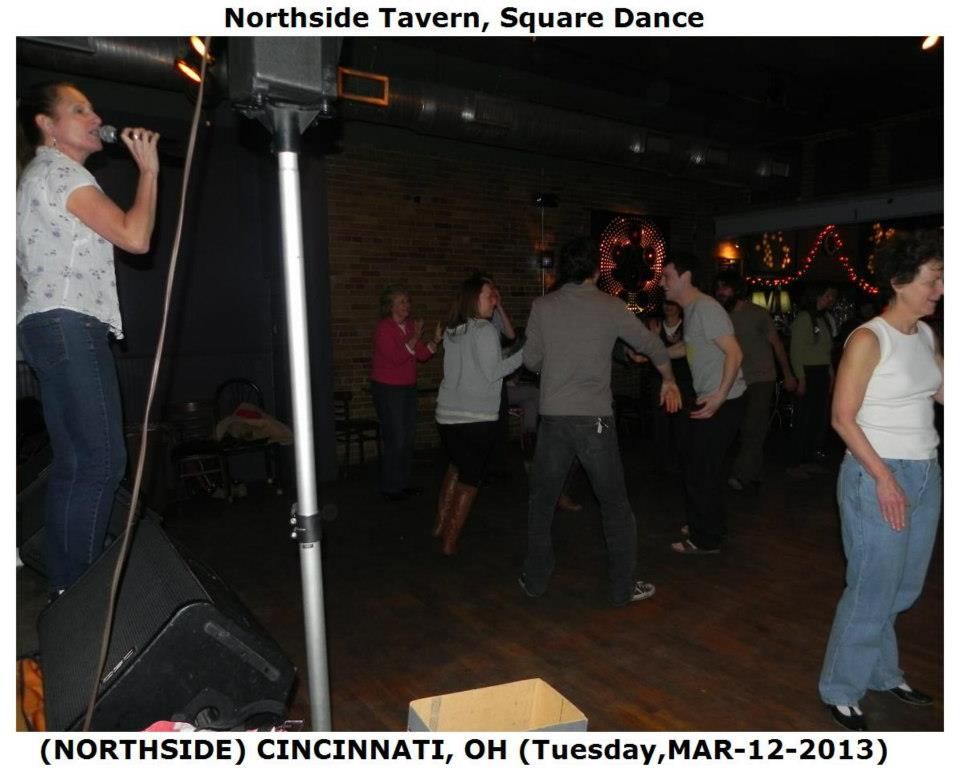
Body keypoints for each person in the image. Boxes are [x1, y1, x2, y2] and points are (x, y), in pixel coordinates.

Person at [16, 82, 160, 597]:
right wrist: (149, 171)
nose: (95, 117)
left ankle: (66, 590)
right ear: (47, 125)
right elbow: (135, 236)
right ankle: (79, 593)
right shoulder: (63, 173)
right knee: (101, 462)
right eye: (79, 110)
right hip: (70, 325)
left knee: (77, 463)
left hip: (46, 326)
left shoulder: (36, 177)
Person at [818, 230, 943, 732]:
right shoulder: (869, 339)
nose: (941, 290)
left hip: (925, 472)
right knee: (872, 587)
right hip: (877, 474)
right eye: (934, 280)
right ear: (900, 281)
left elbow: (946, 392)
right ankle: (840, 688)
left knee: (903, 587)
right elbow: (842, 418)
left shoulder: (925, 336)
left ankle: (882, 671)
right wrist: (886, 478)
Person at [519, 237, 681, 607]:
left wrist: (557, 360)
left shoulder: (543, 306)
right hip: (595, 421)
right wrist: (669, 379)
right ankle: (623, 587)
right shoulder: (611, 306)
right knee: (614, 505)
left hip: (555, 419)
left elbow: (530, 361)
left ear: (564, 268)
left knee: (542, 504)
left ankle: (536, 580)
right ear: (596, 268)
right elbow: (653, 345)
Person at [660, 253, 745, 555]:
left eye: (667, 276)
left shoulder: (706, 308)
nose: (662, 282)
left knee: (700, 469)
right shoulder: (694, 310)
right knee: (703, 467)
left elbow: (735, 353)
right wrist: (656, 354)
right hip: (714, 400)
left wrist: (720, 395)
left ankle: (705, 539)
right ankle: (708, 523)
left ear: (685, 277)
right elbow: (689, 346)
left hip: (723, 402)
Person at [433, 276, 525, 555]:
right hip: (475, 417)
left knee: (456, 466)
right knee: (471, 477)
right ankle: (449, 542)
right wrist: (524, 354)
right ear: (474, 298)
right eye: (489, 295)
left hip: (447, 415)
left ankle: (440, 525)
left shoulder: (453, 329)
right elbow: (494, 372)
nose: (494, 300)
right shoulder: (484, 330)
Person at [714, 271, 797, 491]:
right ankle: (755, 472)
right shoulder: (720, 316)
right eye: (718, 287)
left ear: (737, 290)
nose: (720, 292)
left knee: (753, 426)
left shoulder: (757, 314)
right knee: (745, 427)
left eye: (725, 287)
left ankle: (741, 475)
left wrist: (788, 374)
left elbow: (777, 345)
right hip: (736, 379)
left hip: (761, 378)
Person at [370, 286, 442, 501]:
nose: (407, 305)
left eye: (408, 301)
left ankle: (401, 484)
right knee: (396, 437)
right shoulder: (384, 328)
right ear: (390, 305)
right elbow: (396, 357)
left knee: (408, 437)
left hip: (407, 388)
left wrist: (435, 341)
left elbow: (421, 355)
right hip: (388, 389)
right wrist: (416, 336)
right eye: (402, 301)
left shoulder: (409, 326)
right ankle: (390, 487)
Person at [787, 284, 839, 479]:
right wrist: (801, 378)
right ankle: (794, 462)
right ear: (817, 295)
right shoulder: (804, 318)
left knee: (818, 419)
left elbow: (826, 351)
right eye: (828, 295)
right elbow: (795, 351)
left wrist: (831, 374)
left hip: (821, 373)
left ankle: (809, 459)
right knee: (803, 419)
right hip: (808, 373)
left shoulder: (825, 318)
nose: (831, 299)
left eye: (833, 296)